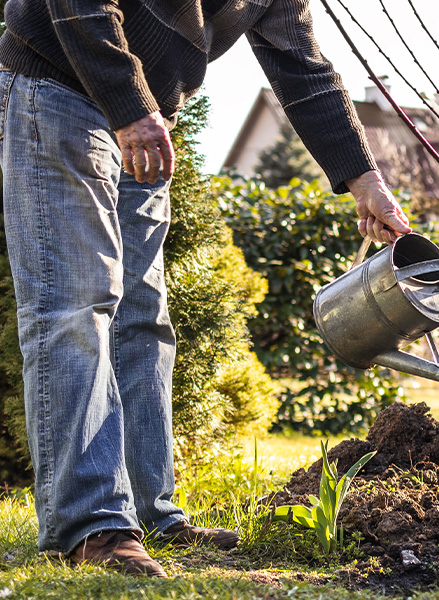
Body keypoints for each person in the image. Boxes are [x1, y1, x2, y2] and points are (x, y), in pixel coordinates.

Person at [0, 0, 412, 577]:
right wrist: (130, 107)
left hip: (146, 117)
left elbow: (305, 69)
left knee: (142, 319)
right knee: (77, 305)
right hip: (60, 84)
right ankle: (91, 524)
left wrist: (364, 181)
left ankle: (153, 512)